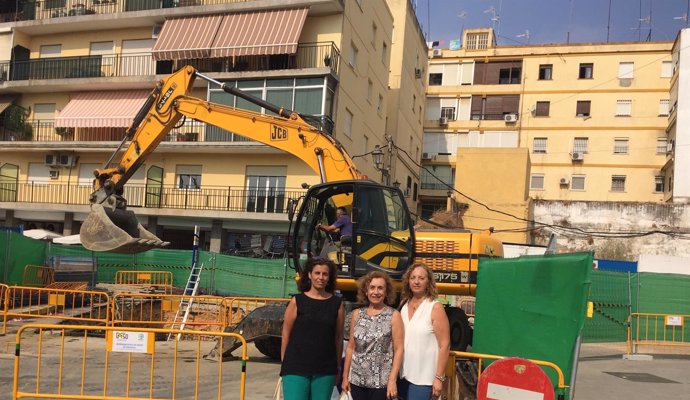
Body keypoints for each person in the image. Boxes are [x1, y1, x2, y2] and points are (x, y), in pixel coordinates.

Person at [280, 257, 345, 400]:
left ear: (329, 277)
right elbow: (286, 334)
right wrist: (285, 364)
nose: (321, 277)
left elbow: (338, 338)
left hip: (325, 369)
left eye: (325, 274)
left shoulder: (337, 304)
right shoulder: (297, 301)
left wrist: (338, 367)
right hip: (295, 368)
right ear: (309, 275)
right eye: (317, 273)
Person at [341, 271, 404, 400]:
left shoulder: (394, 316)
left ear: (386, 292)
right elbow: (350, 347)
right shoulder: (357, 314)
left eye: (380, 288)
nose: (376, 292)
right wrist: (345, 377)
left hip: (381, 383)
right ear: (366, 291)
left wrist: (392, 380)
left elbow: (399, 350)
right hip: (357, 381)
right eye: (372, 287)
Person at [398, 263, 450, 400]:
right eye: (413, 277)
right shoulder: (403, 305)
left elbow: (445, 345)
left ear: (428, 282)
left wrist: (439, 378)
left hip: (423, 379)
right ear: (407, 281)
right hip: (401, 375)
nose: (416, 281)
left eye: (421, 278)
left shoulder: (435, 307)